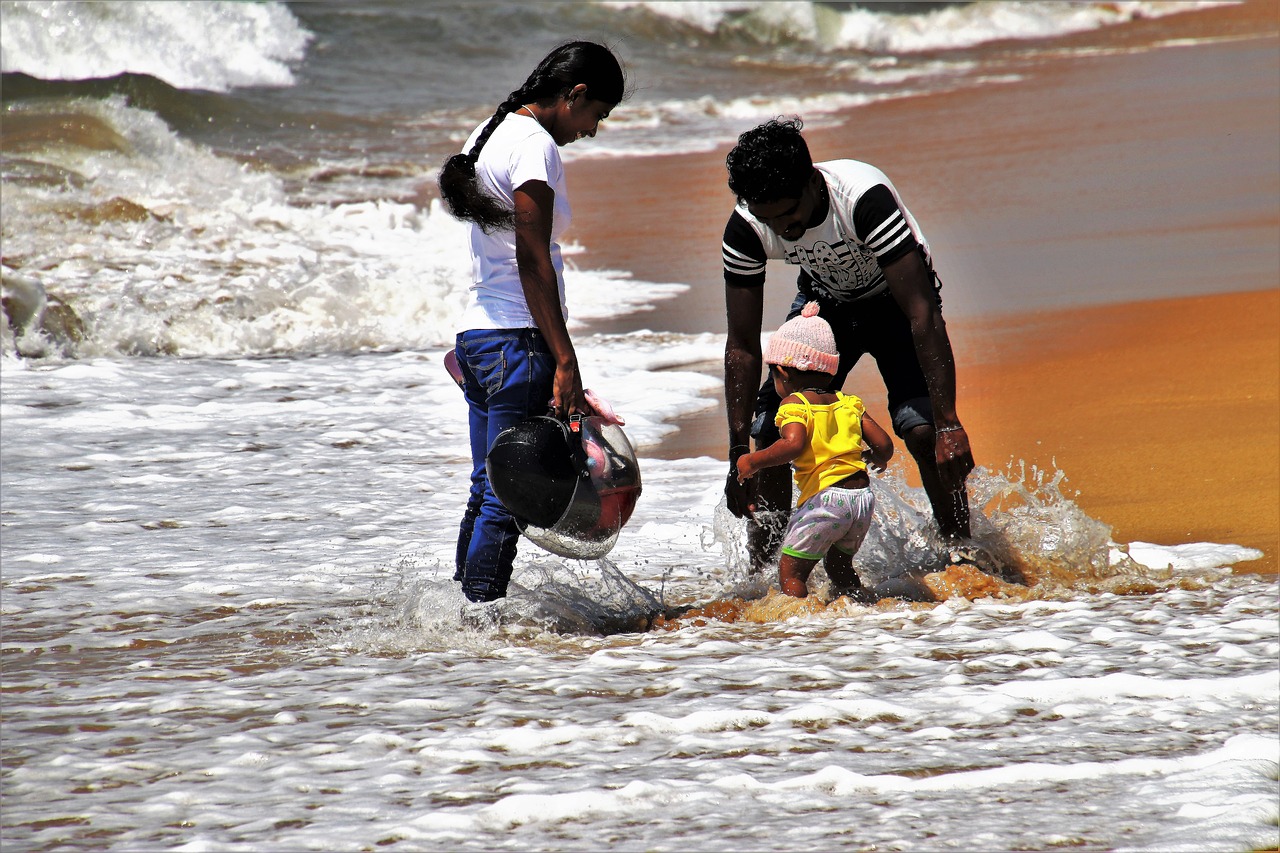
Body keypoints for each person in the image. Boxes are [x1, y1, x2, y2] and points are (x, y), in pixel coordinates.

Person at [721, 117, 976, 575]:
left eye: (789, 214)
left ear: (812, 182)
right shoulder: (746, 226)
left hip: (897, 304)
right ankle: (764, 577)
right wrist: (738, 454)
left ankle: (962, 550)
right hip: (826, 307)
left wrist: (950, 423)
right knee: (770, 433)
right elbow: (741, 344)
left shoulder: (862, 200)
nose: (783, 230)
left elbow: (922, 311)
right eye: (769, 219)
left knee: (921, 430)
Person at [437, 41, 626, 603]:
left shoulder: (487, 133)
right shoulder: (534, 146)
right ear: (575, 95)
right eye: (597, 115)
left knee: (487, 485)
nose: (592, 129)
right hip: (517, 342)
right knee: (509, 494)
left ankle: (459, 617)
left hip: (479, 336)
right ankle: (482, 622)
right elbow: (531, 258)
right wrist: (565, 359)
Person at [735, 301, 893, 599]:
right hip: (861, 500)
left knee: (791, 571)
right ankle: (862, 612)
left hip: (827, 500)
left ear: (782, 372)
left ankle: (802, 626)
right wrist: (875, 458)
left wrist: (753, 461)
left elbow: (792, 444)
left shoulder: (794, 404)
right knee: (840, 566)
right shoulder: (849, 402)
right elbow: (884, 445)